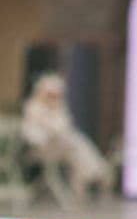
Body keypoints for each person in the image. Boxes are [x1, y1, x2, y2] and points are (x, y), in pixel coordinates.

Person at [20, 71, 112, 201]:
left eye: (56, 95)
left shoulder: (59, 109)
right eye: (50, 95)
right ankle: (97, 171)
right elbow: (30, 134)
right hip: (41, 150)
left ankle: (90, 176)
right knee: (76, 144)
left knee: (78, 143)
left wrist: (55, 125)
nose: (53, 98)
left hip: (62, 148)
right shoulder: (33, 108)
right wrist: (50, 133)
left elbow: (64, 128)